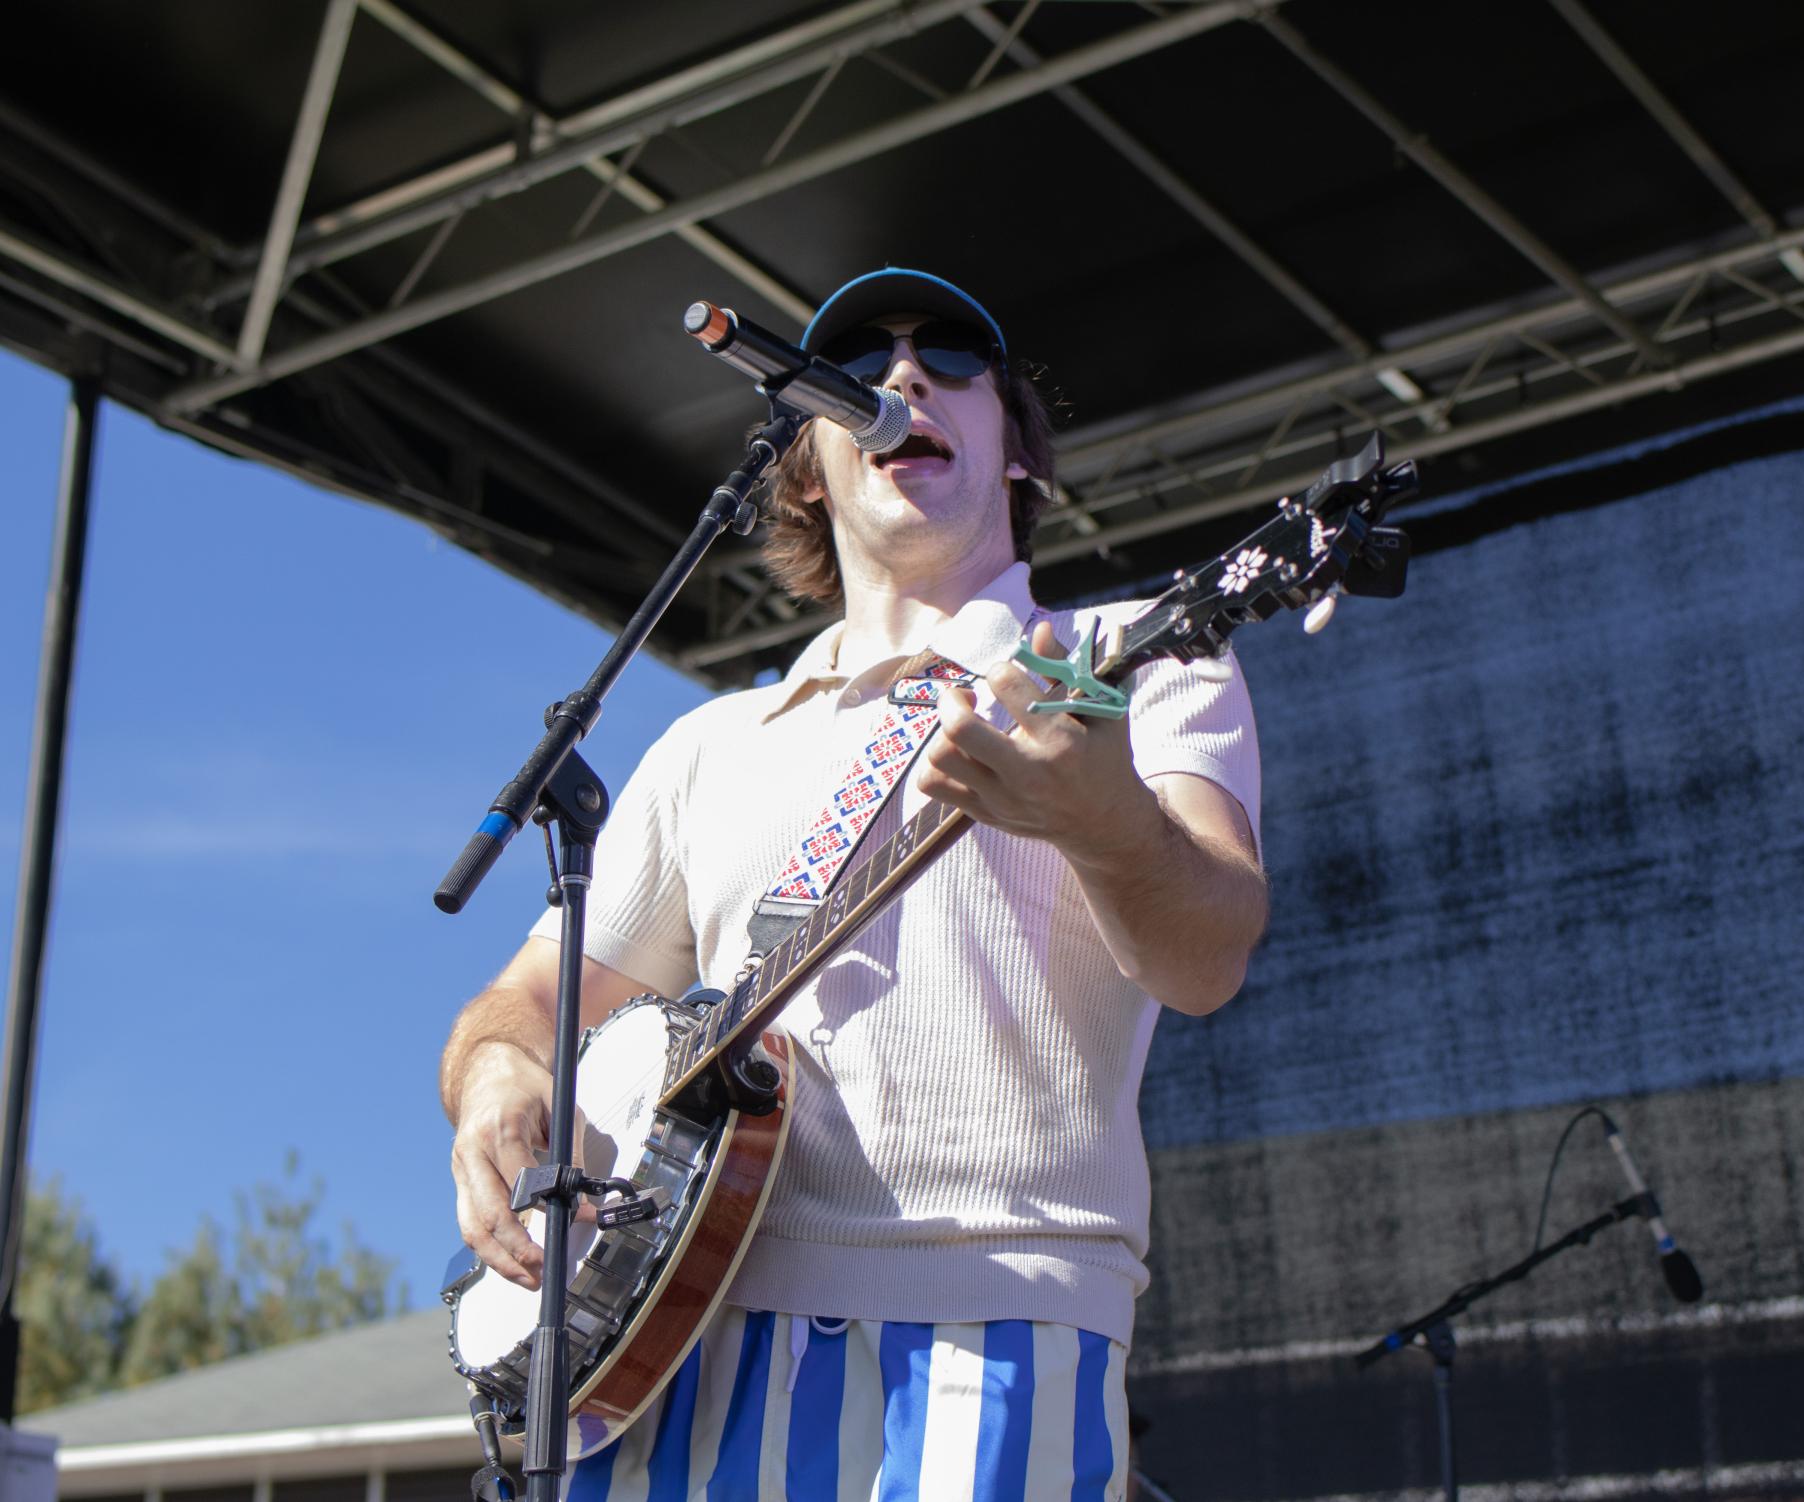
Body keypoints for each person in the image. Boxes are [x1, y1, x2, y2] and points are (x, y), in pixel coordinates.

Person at [440, 268, 1270, 1499]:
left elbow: (1207, 954)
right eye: (862, 362)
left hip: (991, 1322)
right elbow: (523, 1003)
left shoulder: (1129, 661)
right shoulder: (710, 745)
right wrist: (498, 1074)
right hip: (676, 1349)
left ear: (1020, 456)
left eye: (949, 354)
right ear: (810, 466)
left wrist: (1100, 817)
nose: (903, 375)